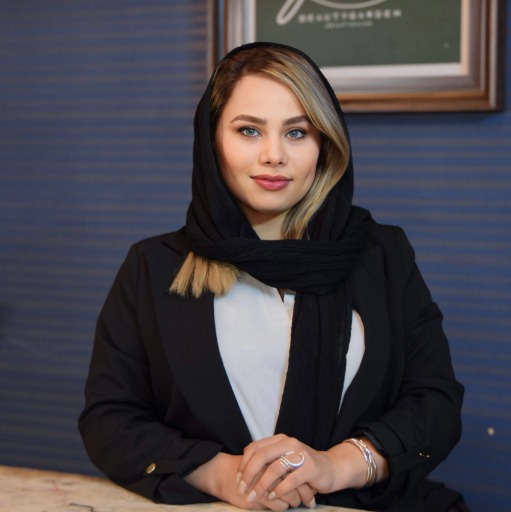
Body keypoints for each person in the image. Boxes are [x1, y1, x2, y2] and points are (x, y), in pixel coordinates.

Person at [78, 42, 465, 512]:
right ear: (212, 140)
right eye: (249, 130)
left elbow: (436, 404)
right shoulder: (154, 266)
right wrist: (223, 475)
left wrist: (336, 465)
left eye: (297, 132)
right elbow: (110, 420)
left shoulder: (382, 254)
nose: (273, 155)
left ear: (325, 143)